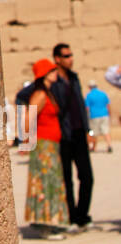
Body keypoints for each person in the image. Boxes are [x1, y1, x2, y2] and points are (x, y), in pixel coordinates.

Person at [48, 43, 94, 230]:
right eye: (67, 56)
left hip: (78, 133)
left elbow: (81, 106)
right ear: (57, 59)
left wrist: (88, 130)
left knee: (87, 176)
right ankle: (71, 216)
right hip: (63, 136)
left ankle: (82, 215)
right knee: (66, 178)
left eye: (71, 55)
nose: (71, 59)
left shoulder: (74, 78)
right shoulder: (53, 81)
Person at [23, 58, 67, 238]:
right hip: (43, 146)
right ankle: (46, 225)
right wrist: (26, 141)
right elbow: (27, 119)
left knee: (52, 183)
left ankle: (52, 222)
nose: (56, 73)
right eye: (52, 71)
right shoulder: (40, 94)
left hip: (50, 145)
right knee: (45, 184)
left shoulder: (48, 93)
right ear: (45, 75)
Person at [85, 79, 112, 153]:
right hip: (104, 115)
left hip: (94, 116)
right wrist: (109, 114)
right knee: (106, 131)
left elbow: (87, 108)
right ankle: (109, 145)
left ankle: (93, 147)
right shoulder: (103, 93)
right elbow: (108, 105)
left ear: (89, 87)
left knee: (92, 132)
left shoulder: (89, 95)